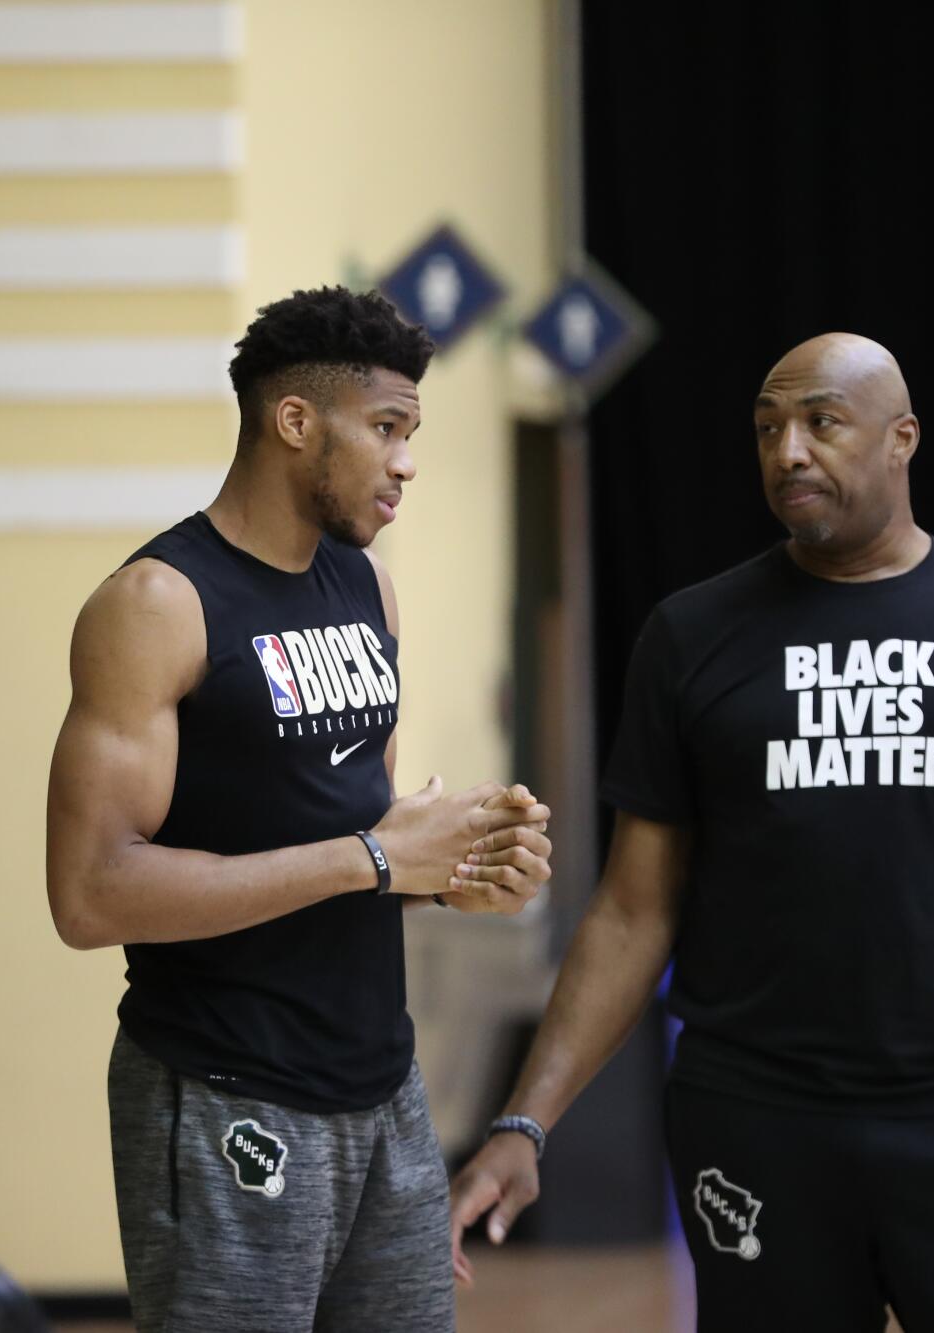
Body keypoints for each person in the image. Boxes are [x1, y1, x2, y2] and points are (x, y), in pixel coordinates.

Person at [450, 333, 934, 1332]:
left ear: (899, 439)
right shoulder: (689, 636)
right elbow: (629, 910)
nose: (786, 451)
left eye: (820, 421)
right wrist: (524, 1121)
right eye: (765, 428)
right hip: (755, 1118)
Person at [46, 286, 554, 1333]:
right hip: (223, 1085)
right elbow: (89, 894)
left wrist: (449, 875)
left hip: (382, 1084)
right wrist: (373, 858)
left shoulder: (366, 590)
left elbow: (352, 840)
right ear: (293, 422)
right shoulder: (156, 604)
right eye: (385, 429)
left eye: (410, 433)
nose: (405, 462)